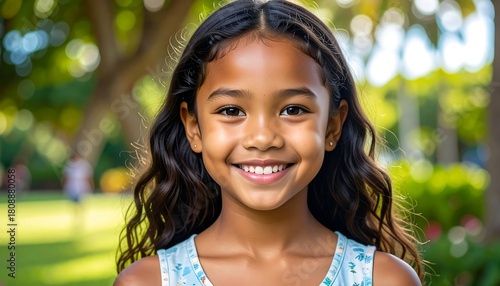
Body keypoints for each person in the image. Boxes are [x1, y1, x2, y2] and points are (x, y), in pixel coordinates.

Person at [114, 0, 425, 285]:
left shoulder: (385, 279)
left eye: (293, 110)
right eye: (231, 111)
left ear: (332, 126)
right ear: (193, 127)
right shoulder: (147, 281)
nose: (262, 138)